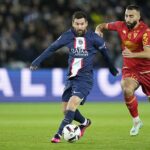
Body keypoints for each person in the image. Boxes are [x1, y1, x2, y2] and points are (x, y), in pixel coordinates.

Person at [30, 11, 118, 143]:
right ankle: (85, 122)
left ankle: (58, 135)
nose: (80, 27)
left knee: (72, 104)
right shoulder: (67, 36)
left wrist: (112, 68)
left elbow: (105, 54)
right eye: (77, 24)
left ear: (86, 24)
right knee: (65, 110)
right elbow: (52, 48)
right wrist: (37, 61)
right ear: (73, 24)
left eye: (82, 24)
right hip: (71, 77)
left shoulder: (94, 38)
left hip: (85, 78)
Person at [95, 5, 150, 136]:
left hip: (147, 71)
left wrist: (133, 54)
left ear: (138, 17)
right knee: (127, 89)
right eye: (126, 15)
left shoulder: (146, 31)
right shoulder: (120, 26)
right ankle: (136, 121)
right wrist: (98, 30)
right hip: (130, 69)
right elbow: (103, 25)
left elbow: (149, 53)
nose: (128, 18)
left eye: (131, 16)